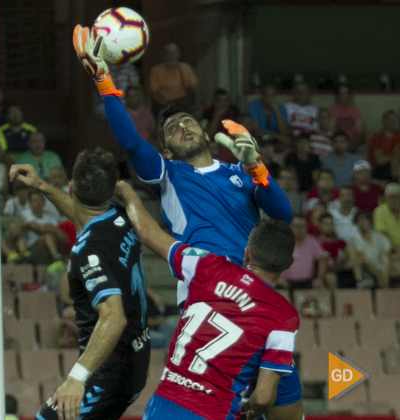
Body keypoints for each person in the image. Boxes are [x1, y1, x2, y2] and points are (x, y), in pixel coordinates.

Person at [73, 27, 302, 417]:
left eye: (186, 120)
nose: (181, 126)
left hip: (257, 293)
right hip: (210, 288)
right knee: (211, 397)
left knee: (284, 405)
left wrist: (258, 168)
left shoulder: (239, 172)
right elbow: (130, 142)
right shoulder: (168, 174)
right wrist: (104, 82)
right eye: (171, 128)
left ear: (205, 132)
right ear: (166, 149)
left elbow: (283, 215)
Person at [115, 182, 298, 420]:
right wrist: (248, 412)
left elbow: (149, 233)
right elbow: (263, 397)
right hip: (213, 413)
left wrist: (128, 193)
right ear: (287, 266)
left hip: (161, 405)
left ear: (247, 253)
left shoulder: (207, 265)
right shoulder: (284, 316)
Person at [11, 148, 149, 420]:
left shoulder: (88, 251)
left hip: (106, 374)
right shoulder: (119, 216)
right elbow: (84, 210)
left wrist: (77, 378)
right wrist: (41, 185)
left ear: (71, 187)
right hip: (134, 360)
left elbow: (114, 317)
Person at [280, 215, 328, 289]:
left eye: (303, 226)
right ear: (291, 227)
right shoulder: (283, 242)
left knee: (321, 288)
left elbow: (322, 259)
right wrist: (278, 279)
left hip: (307, 282)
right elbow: (272, 262)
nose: (300, 229)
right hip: (286, 282)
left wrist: (319, 279)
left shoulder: (311, 241)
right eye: (297, 226)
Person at [148, 43, 198, 115]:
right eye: (168, 53)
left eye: (174, 53)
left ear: (178, 54)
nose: (171, 56)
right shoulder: (156, 70)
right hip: (164, 105)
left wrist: (196, 105)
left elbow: (194, 89)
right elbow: (154, 93)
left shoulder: (186, 68)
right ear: (164, 55)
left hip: (182, 104)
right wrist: (167, 105)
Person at [21, 191, 67, 263]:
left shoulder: (50, 217)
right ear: (30, 203)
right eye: (34, 200)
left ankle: (57, 259)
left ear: (44, 203)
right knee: (47, 236)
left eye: (40, 200)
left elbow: (62, 236)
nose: (38, 203)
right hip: (31, 248)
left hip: (48, 247)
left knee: (52, 237)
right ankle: (57, 258)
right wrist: (51, 228)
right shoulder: (25, 214)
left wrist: (51, 229)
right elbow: (37, 228)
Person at [317, 213, 359, 288]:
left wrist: (341, 267)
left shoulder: (340, 242)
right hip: (327, 272)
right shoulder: (317, 243)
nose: (329, 226)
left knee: (351, 247)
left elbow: (351, 260)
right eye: (326, 224)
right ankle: (335, 299)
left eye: (331, 224)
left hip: (342, 269)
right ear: (320, 225)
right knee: (330, 277)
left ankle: (360, 282)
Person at [352, 212, 391, 288]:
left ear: (369, 221)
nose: (362, 223)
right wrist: (377, 274)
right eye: (359, 221)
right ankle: (360, 283)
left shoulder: (381, 238)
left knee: (385, 280)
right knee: (358, 262)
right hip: (367, 270)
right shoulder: (356, 239)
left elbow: (385, 256)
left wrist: (384, 273)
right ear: (356, 223)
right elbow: (363, 258)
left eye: (364, 220)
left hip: (381, 269)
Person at [246, 84, 291, 149]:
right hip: (260, 137)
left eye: (272, 96)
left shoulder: (281, 108)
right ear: (262, 96)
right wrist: (273, 135)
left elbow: (284, 132)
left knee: (287, 141)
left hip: (275, 139)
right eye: (266, 95)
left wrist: (277, 112)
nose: (269, 99)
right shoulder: (253, 106)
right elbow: (255, 130)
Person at [201, 88, 240, 163]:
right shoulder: (208, 112)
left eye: (225, 100)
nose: (223, 104)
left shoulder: (233, 111)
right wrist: (217, 116)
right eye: (220, 100)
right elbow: (207, 136)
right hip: (215, 147)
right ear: (214, 101)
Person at [329, 85, 364, 150]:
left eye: (345, 93)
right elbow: (331, 130)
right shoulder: (332, 110)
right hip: (336, 143)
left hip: (352, 143)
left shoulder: (355, 111)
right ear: (337, 95)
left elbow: (360, 131)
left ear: (349, 95)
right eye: (341, 93)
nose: (343, 95)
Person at [368, 110, 400, 181]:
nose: (393, 122)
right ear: (384, 121)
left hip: (397, 166)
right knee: (395, 161)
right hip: (381, 169)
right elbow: (380, 160)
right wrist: (395, 157)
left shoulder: (398, 136)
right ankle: (394, 182)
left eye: (395, 119)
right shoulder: (378, 138)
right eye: (390, 119)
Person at [125, 85, 158, 151]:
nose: (133, 99)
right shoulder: (123, 114)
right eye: (130, 96)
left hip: (149, 143)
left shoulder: (145, 110)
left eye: (135, 96)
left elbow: (153, 129)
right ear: (127, 98)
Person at [373, 182, 400, 252]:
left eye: (397, 197)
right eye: (391, 197)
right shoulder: (379, 211)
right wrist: (397, 249)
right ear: (385, 198)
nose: (394, 200)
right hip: (388, 250)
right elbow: (382, 235)